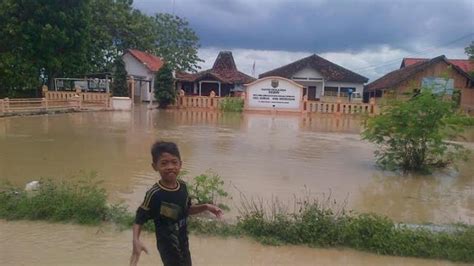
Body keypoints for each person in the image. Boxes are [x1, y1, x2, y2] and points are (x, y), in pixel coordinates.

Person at [130, 141, 223, 266]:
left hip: (183, 243)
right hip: (168, 248)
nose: (170, 166)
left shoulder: (183, 187)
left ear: (180, 164)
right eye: (164, 163)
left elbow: (186, 210)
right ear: (154, 166)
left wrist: (206, 206)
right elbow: (139, 218)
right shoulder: (155, 194)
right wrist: (136, 240)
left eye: (174, 162)